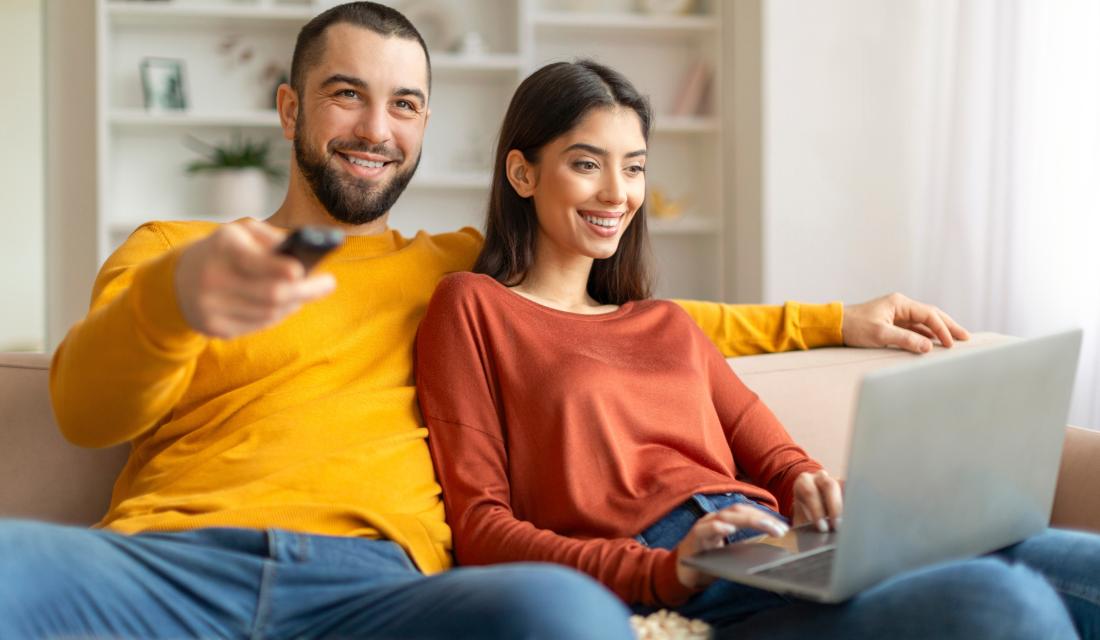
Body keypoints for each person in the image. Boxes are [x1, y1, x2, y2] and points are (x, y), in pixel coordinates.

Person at [0, 2, 966, 638]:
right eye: (347, 95)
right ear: (291, 107)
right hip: (170, 568)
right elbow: (88, 407)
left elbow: (634, 322)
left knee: (560, 613)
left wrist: (841, 314)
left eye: (405, 104)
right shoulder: (177, 249)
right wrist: (180, 302)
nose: (377, 129)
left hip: (382, 587)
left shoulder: (455, 270)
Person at [415, 59, 1100, 640]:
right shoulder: (472, 309)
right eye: (586, 163)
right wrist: (666, 568)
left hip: (773, 545)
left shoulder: (667, 325)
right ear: (523, 172)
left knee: (1068, 559)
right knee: (1001, 601)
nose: (617, 194)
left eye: (635, 168)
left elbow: (776, 455)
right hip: (684, 573)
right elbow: (482, 529)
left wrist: (810, 486)